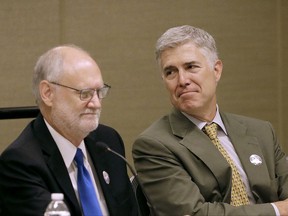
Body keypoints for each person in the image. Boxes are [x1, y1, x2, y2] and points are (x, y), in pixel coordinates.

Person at [132, 25, 288, 216]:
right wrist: (275, 210)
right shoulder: (154, 144)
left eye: (191, 67)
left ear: (216, 70)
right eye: (170, 72)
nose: (182, 80)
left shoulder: (261, 131)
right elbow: (193, 213)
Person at [0, 45, 138, 216]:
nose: (96, 103)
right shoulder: (20, 164)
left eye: (99, 92)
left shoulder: (108, 142)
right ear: (48, 93)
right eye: (85, 93)